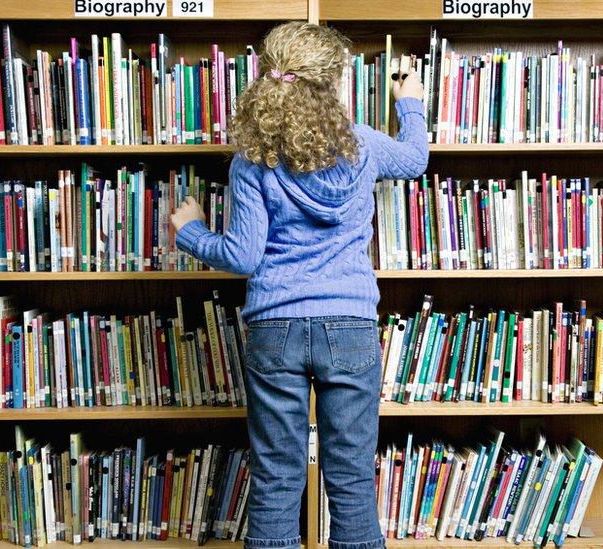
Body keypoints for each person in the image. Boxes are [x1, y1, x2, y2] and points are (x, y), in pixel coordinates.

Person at [169, 21, 427, 549]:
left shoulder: (253, 161)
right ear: (334, 85)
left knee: (277, 479)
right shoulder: (365, 146)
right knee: (352, 482)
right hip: (351, 326)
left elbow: (242, 255)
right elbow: (416, 159)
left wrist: (190, 231)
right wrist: (412, 102)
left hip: (276, 328)